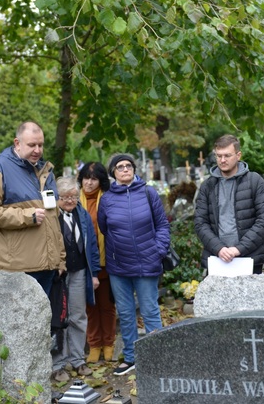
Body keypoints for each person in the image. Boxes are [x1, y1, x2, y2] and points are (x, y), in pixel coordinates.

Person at [98, 153, 170, 376]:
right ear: (113, 173)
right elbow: (104, 228)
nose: (125, 169)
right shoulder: (107, 199)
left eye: (129, 165)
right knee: (126, 313)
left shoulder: (148, 193)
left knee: (149, 311)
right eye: (120, 167)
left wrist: (157, 251)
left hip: (146, 263)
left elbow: (163, 226)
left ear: (134, 169)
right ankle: (130, 357)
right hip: (119, 266)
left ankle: (156, 357)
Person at [0, 122, 65, 296]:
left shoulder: (44, 170)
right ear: (17, 143)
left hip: (47, 267)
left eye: (40, 145)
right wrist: (26, 216)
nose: (37, 150)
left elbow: (53, 218)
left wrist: (59, 259)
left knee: (41, 323)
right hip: (16, 270)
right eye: (32, 145)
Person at [194, 134, 264, 274]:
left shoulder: (254, 181)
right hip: (217, 258)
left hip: (249, 258)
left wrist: (239, 248)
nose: (222, 160)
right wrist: (219, 248)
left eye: (227, 155)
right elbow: (200, 223)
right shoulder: (208, 186)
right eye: (218, 156)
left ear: (238, 155)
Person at [50, 176, 101, 383]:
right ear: (56, 198)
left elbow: (92, 245)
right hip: (57, 276)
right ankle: (58, 365)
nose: (70, 201)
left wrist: (94, 273)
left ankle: (78, 360)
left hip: (80, 271)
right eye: (65, 197)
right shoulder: (51, 216)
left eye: (73, 196)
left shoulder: (82, 214)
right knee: (59, 319)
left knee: (78, 316)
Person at [78, 162, 117, 363]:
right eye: (86, 178)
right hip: (84, 263)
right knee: (90, 307)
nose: (89, 182)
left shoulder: (109, 199)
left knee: (107, 305)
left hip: (107, 261)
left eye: (94, 179)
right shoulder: (74, 200)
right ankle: (94, 344)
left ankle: (109, 344)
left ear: (101, 181)